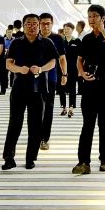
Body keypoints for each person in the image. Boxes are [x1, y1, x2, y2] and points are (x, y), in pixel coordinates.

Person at [3, 13, 58, 170]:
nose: (32, 26)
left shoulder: (46, 42)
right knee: (14, 123)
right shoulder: (16, 43)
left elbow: (53, 62)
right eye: (28, 23)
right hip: (19, 87)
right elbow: (8, 64)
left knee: (35, 125)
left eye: (35, 23)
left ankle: (30, 158)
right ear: (23, 25)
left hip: (39, 88)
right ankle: (8, 157)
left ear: (39, 25)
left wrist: (40, 69)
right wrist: (19, 69)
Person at [73, 4, 105, 175]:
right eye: (89, 16)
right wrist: (82, 73)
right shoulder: (86, 39)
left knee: (104, 123)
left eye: (95, 16)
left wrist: (103, 31)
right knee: (87, 124)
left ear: (102, 18)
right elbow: (79, 60)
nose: (91, 19)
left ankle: (104, 159)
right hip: (90, 85)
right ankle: (83, 162)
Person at [37, 13, 68, 150]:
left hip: (51, 78)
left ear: (52, 24)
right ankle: (35, 136)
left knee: (48, 108)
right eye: (43, 23)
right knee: (35, 108)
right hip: (33, 79)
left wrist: (65, 74)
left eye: (48, 23)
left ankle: (44, 138)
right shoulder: (33, 37)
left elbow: (62, 58)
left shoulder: (57, 38)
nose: (45, 26)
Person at [60, 22, 80, 117]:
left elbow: (80, 56)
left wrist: (80, 69)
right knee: (62, 87)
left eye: (68, 29)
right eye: (65, 29)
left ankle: (71, 107)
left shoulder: (77, 41)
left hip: (73, 68)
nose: (66, 31)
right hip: (62, 68)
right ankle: (64, 107)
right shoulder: (61, 41)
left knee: (72, 87)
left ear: (72, 30)